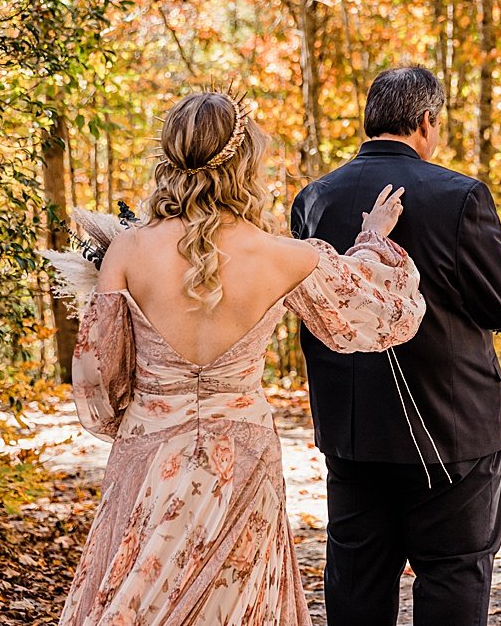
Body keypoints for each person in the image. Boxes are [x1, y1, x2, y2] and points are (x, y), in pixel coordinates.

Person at [57, 91, 425, 625]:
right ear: (245, 164)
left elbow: (96, 371)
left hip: (151, 449)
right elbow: (372, 314)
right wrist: (370, 239)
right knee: (238, 595)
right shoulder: (283, 255)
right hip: (242, 454)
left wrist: (137, 417)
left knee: (141, 589)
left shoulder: (128, 252)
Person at [289, 66, 501, 626]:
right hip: (452, 431)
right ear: (427, 121)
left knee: (357, 584)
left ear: (370, 120)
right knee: (453, 575)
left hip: (353, 433)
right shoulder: (460, 195)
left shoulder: (314, 200)